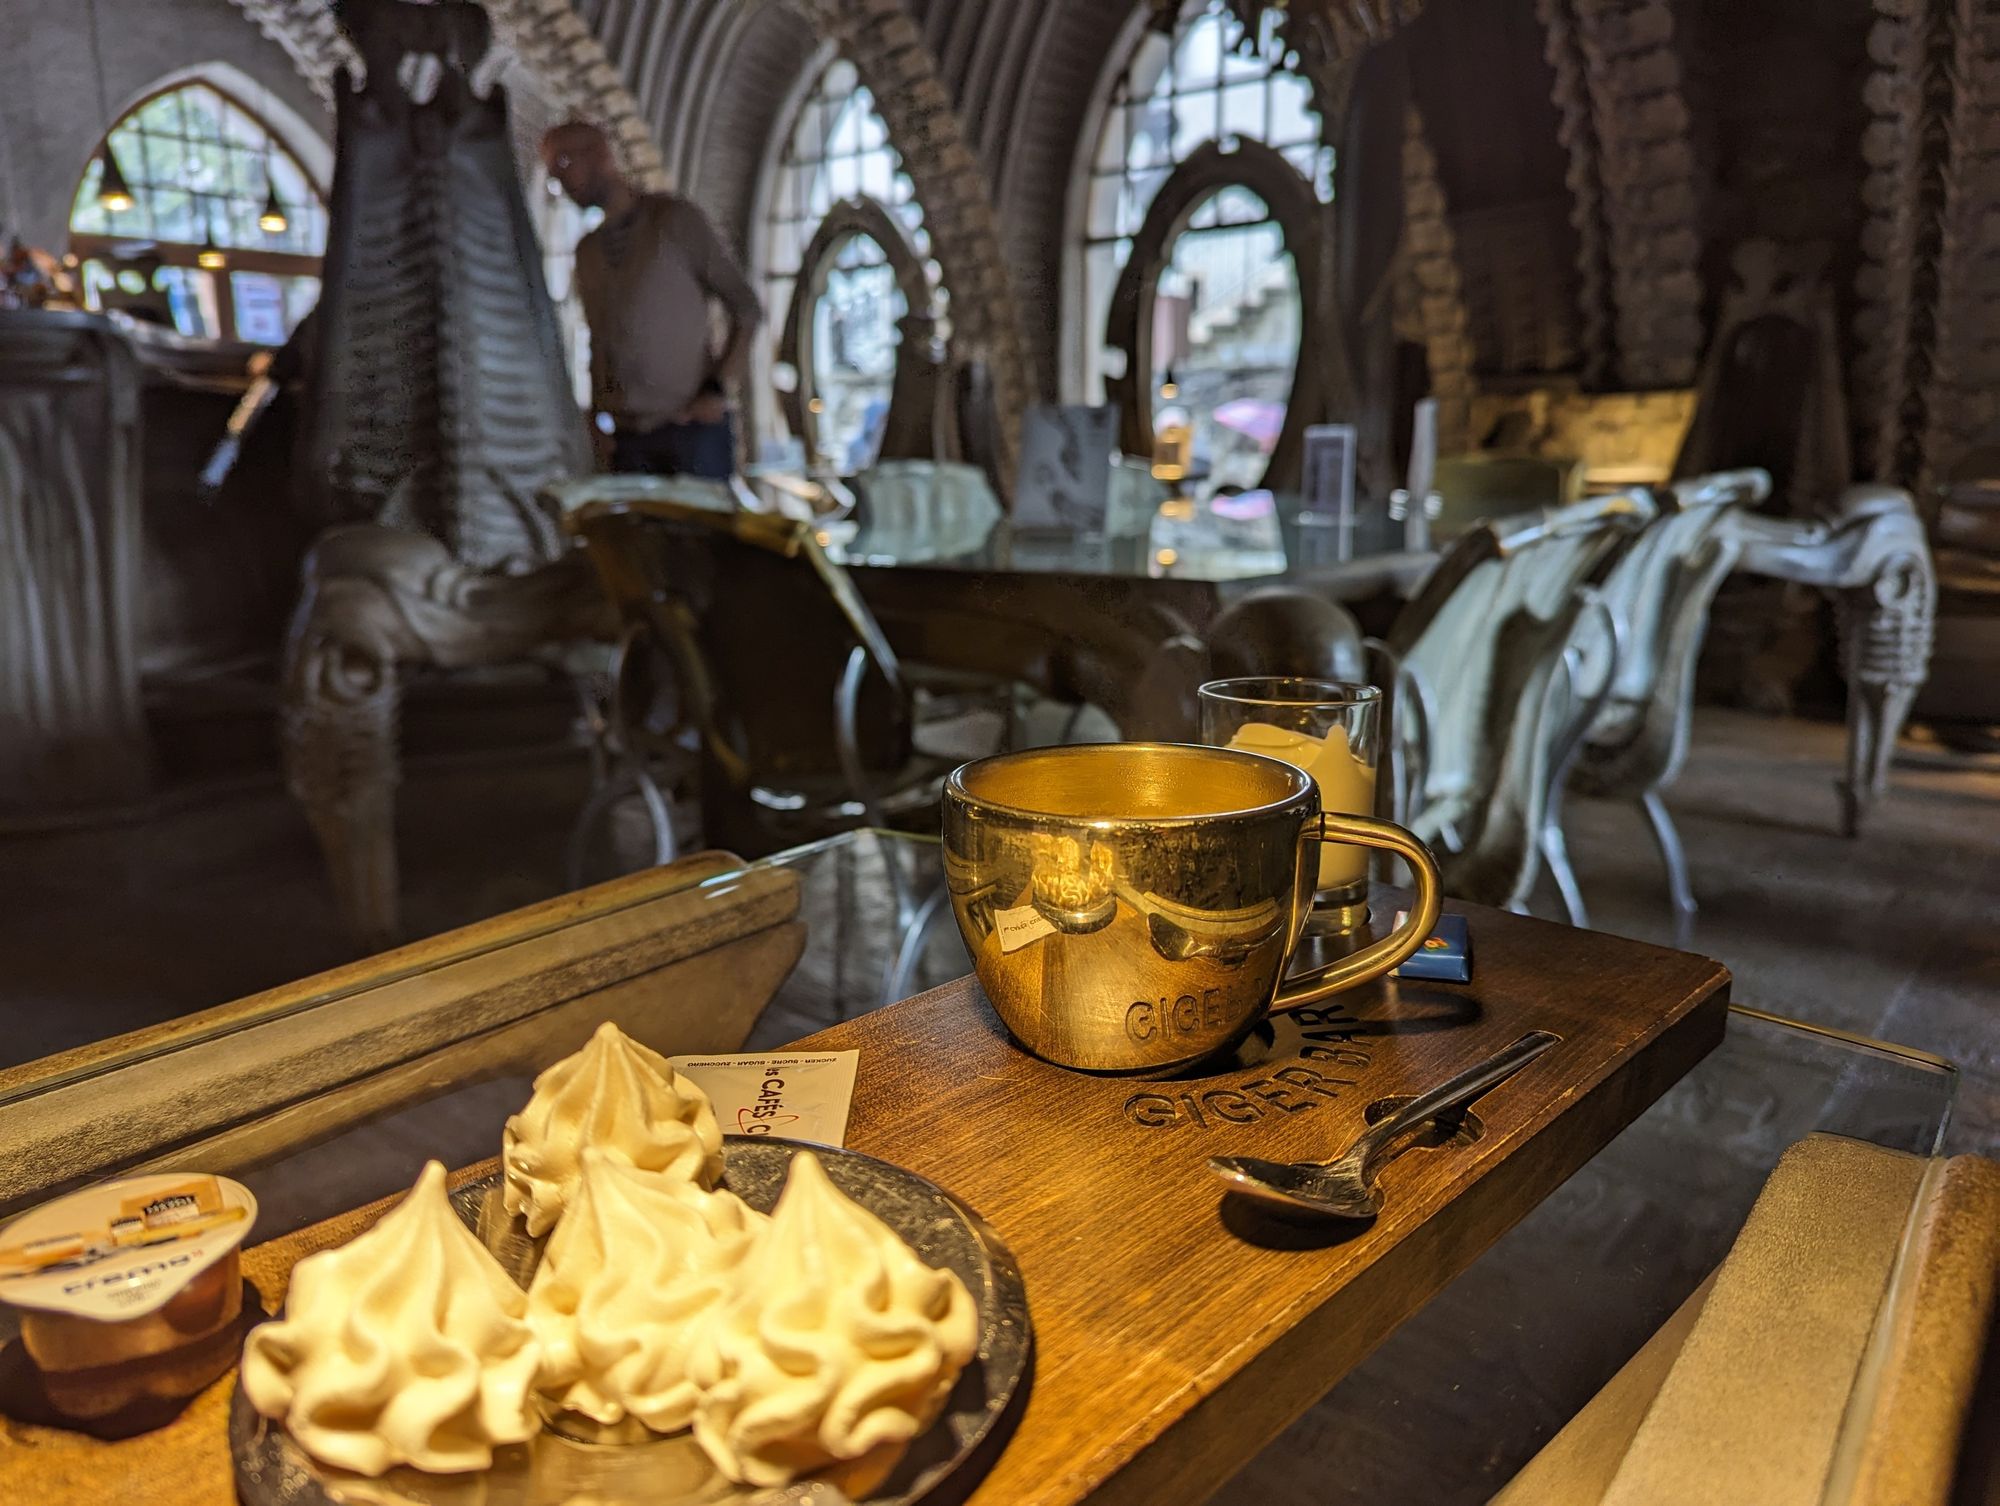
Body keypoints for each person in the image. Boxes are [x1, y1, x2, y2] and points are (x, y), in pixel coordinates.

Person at [541, 121, 762, 480]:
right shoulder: (587, 252)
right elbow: (598, 341)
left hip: (691, 433)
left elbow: (747, 309)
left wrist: (717, 389)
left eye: (564, 164)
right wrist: (596, 417)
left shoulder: (675, 222)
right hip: (627, 442)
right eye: (553, 173)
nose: (561, 182)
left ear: (600, 155)